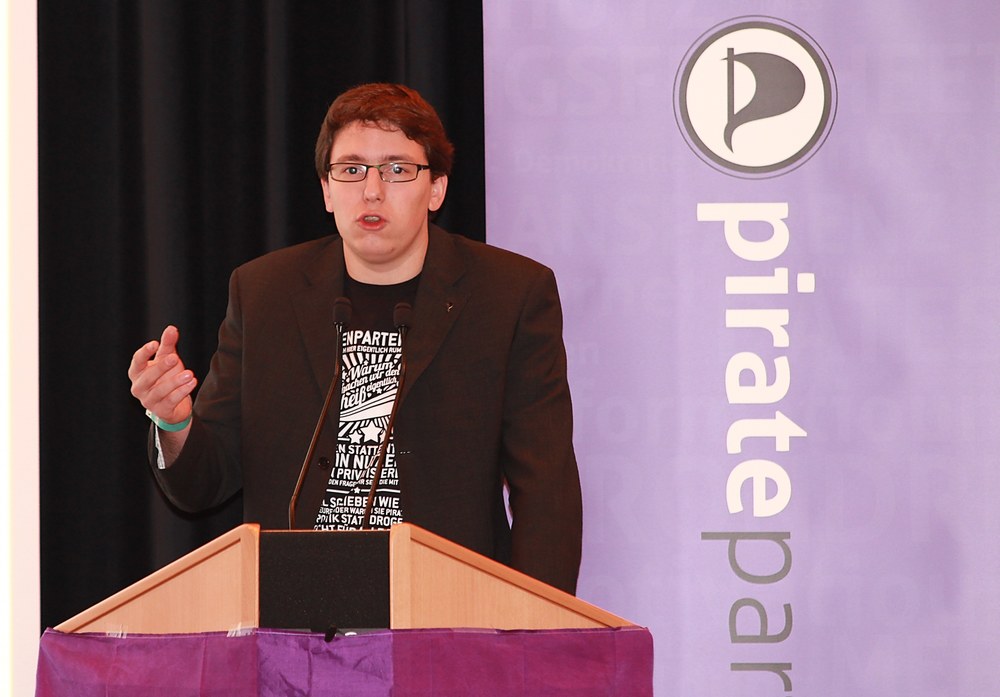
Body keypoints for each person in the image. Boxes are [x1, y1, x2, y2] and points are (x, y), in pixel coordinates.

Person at [127, 83, 582, 594]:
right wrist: (173, 421)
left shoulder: (509, 295)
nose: (372, 191)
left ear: (436, 189)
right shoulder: (264, 293)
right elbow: (205, 483)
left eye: (397, 169)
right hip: (297, 606)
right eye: (351, 170)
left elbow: (546, 489)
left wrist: (538, 623)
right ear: (326, 189)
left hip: (448, 607)